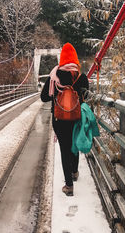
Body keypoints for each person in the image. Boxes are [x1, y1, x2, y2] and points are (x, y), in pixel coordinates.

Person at [40, 42, 89, 196]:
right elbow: (86, 98)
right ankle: (74, 172)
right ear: (75, 59)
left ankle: (69, 186)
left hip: (59, 120)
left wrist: (56, 94)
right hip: (76, 118)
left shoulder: (54, 76)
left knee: (64, 149)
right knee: (74, 145)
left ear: (62, 60)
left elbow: (43, 98)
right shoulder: (81, 77)